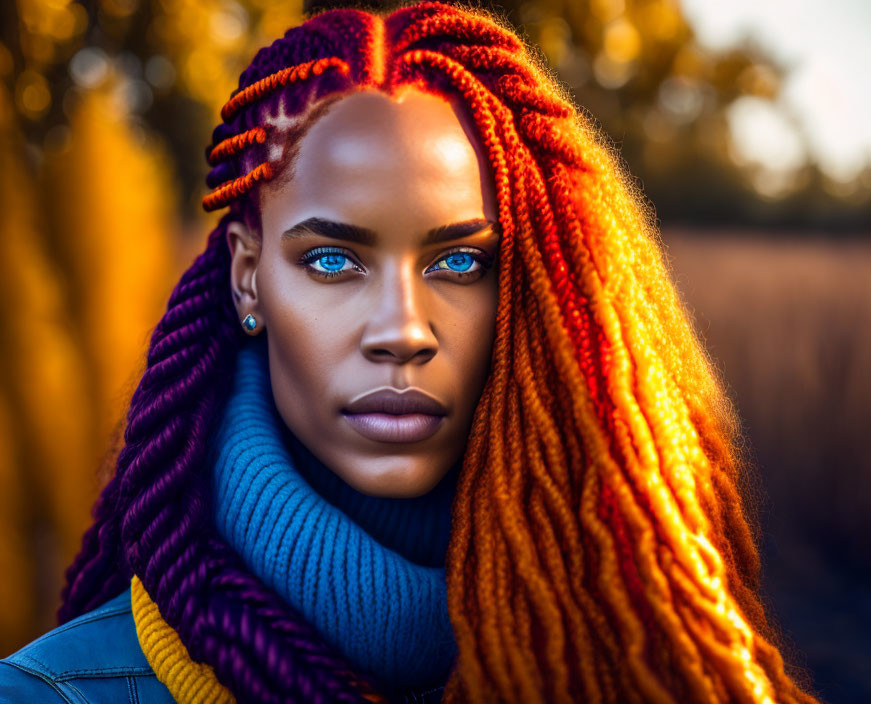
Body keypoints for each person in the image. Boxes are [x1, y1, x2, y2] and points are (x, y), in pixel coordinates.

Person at [0, 3, 823, 703]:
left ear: (531, 286)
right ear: (248, 280)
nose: (402, 329)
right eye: (332, 260)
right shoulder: (56, 693)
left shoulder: (623, 653)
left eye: (459, 262)